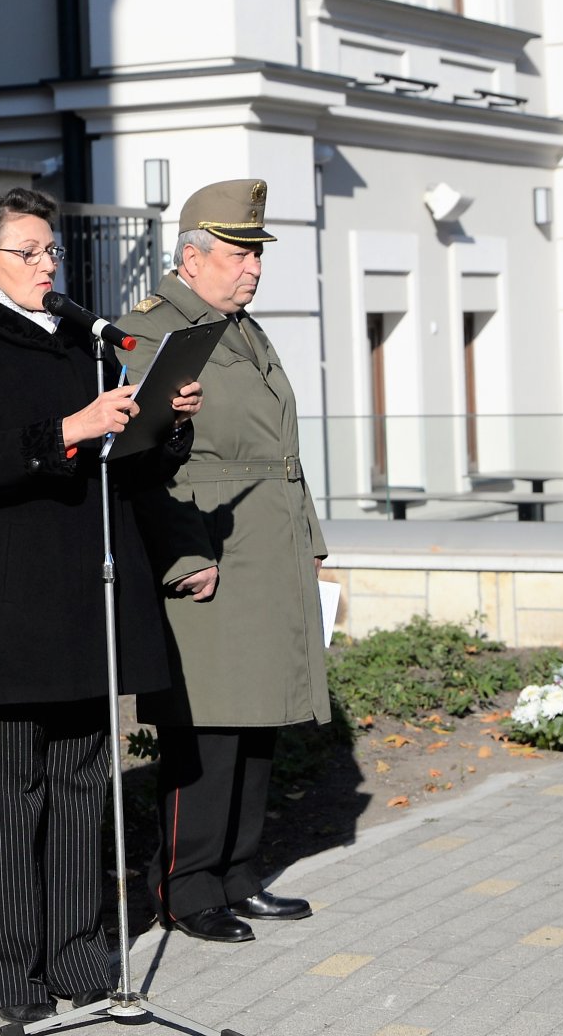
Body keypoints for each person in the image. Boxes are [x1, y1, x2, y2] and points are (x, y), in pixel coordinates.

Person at [0, 186, 200, 1024]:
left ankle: (77, 954)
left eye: (52, 251)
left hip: (89, 592)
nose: (46, 265)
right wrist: (72, 426)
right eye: (28, 252)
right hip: (10, 600)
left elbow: (127, 466)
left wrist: (165, 422)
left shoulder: (84, 340)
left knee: (81, 784)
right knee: (13, 793)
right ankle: (9, 973)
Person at [116, 178, 329, 945]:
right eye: (239, 254)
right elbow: (142, 464)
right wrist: (180, 557)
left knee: (258, 716)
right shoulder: (151, 331)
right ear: (191, 257)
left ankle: (239, 873)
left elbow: (280, 452)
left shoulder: (237, 327)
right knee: (206, 722)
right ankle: (185, 885)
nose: (253, 268)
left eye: (255, 254)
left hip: (264, 544)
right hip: (207, 543)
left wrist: (308, 541)